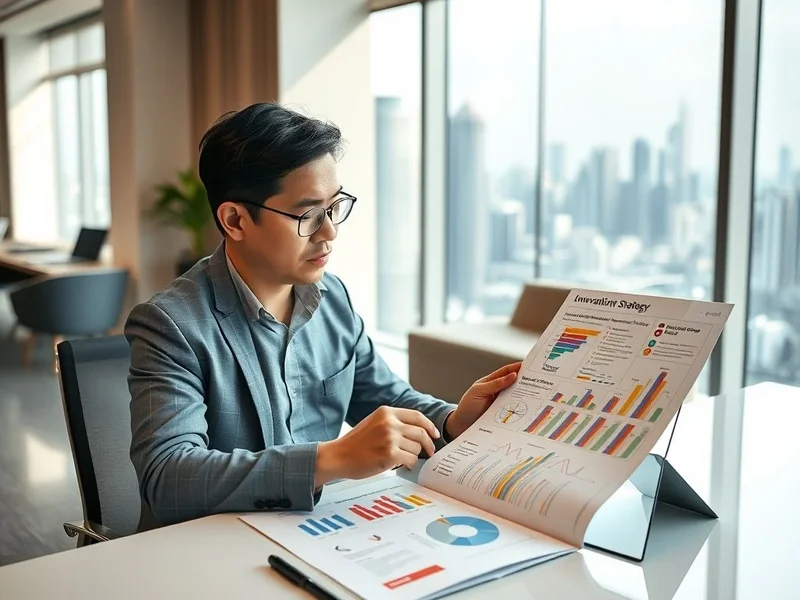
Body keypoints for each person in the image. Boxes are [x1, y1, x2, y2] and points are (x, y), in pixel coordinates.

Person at [126, 103, 520, 530]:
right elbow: (167, 479)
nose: (330, 230)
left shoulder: (332, 297)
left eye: (335, 207)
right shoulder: (171, 324)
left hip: (316, 532)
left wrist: (454, 419)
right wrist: (330, 459)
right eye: (308, 214)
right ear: (235, 219)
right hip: (211, 548)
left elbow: (387, 397)